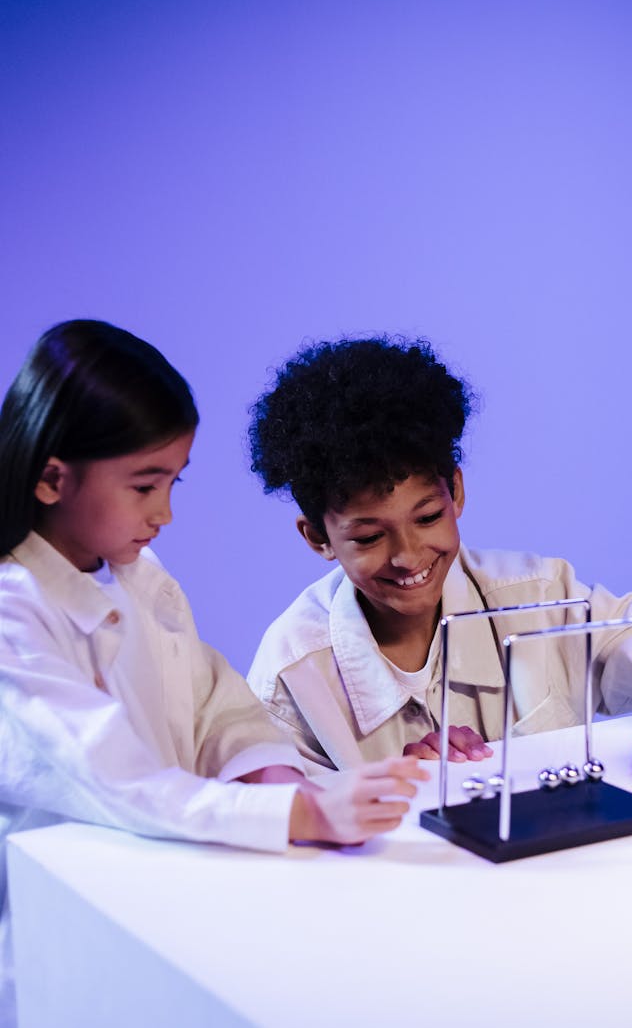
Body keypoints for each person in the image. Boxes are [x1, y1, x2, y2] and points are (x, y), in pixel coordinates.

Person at [0, 320, 426, 1026]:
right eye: (144, 485)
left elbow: (214, 705)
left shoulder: (137, 579)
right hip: (64, 937)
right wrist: (306, 811)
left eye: (172, 482)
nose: (164, 513)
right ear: (52, 478)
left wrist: (274, 776)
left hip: (163, 906)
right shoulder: (13, 617)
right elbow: (117, 781)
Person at [247, 335, 632, 788]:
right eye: (371, 536)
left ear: (457, 493)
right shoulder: (289, 676)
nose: (408, 556)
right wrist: (401, 789)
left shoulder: (540, 592)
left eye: (427, 517)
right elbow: (285, 823)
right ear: (318, 537)